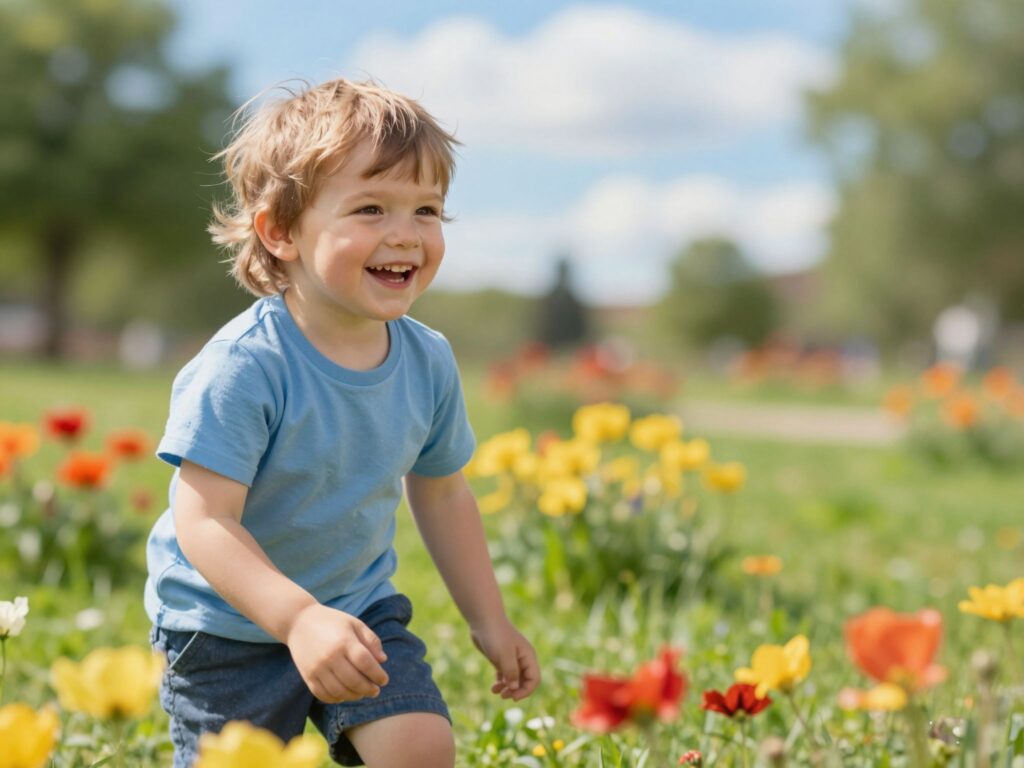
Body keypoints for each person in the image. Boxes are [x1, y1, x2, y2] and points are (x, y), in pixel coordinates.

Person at [143, 77, 540, 768]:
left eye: (427, 210)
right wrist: (296, 618)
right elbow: (203, 521)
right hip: (224, 629)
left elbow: (443, 493)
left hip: (357, 609)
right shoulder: (246, 366)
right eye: (370, 208)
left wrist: (489, 619)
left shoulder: (429, 361)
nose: (406, 235)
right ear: (281, 231)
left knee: (419, 746)